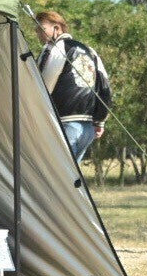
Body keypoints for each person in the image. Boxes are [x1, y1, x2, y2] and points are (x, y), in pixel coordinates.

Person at [35, 9, 111, 162]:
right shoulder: (90, 51)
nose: (38, 33)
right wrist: (100, 121)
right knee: (72, 180)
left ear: (56, 28)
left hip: (63, 123)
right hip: (87, 127)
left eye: (41, 28)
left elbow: (42, 86)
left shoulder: (54, 49)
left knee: (58, 178)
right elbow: (105, 87)